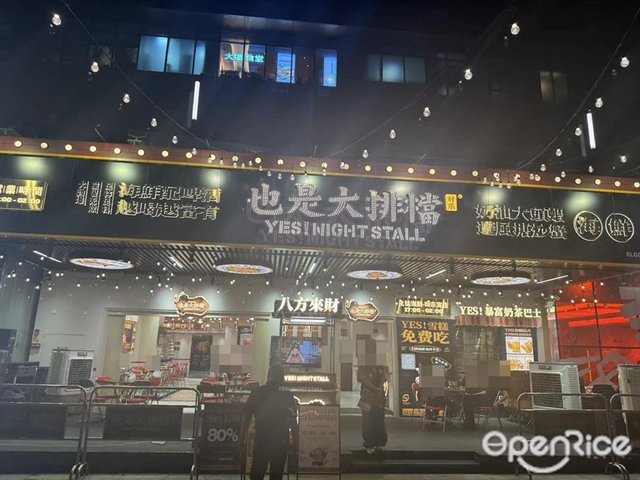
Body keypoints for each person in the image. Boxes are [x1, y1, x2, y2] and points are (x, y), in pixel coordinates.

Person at [241, 363, 297, 480]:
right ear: (282, 377)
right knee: (276, 475)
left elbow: (246, 417)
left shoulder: (257, 392)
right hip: (281, 439)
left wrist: (241, 438)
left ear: (268, 375)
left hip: (262, 437)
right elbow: (293, 420)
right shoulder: (287, 394)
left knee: (257, 473)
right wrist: (296, 441)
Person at [357, 366, 387, 454]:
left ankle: (379, 443)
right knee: (368, 419)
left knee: (379, 417)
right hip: (367, 394)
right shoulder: (364, 364)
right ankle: (370, 444)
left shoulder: (380, 364)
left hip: (378, 394)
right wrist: (376, 389)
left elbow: (383, 376)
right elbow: (361, 377)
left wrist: (379, 389)